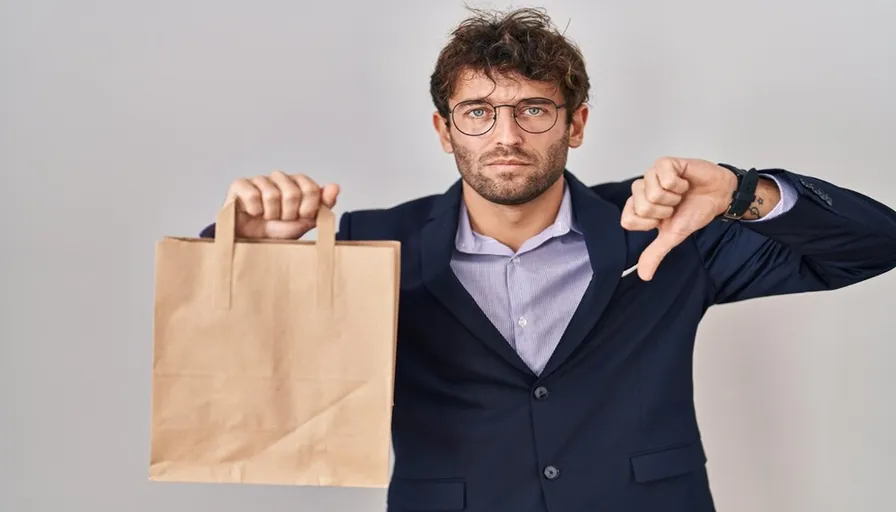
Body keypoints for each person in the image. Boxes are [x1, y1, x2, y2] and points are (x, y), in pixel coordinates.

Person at [199, 7, 896, 512]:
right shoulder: (376, 243)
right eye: (478, 112)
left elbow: (875, 245)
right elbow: (228, 355)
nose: (506, 135)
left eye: (534, 109)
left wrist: (743, 191)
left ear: (577, 123)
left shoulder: (665, 224)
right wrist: (245, 245)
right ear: (445, 131)